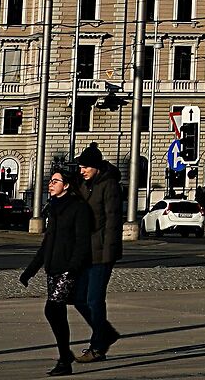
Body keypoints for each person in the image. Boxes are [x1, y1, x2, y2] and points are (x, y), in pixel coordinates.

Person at [21, 164, 95, 376]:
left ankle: (65, 359)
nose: (51, 185)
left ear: (67, 185)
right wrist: (31, 270)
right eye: (51, 181)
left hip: (67, 269)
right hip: (53, 268)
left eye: (55, 181)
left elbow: (82, 242)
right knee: (57, 312)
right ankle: (65, 356)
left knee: (52, 309)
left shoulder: (78, 208)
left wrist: (73, 268)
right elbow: (47, 243)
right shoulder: (53, 207)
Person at [74, 144, 125, 361]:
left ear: (96, 167)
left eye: (85, 167)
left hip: (102, 253)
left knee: (94, 300)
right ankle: (106, 333)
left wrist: (108, 254)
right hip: (86, 252)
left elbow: (113, 222)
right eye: (80, 167)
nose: (82, 170)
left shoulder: (109, 185)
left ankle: (97, 347)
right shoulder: (85, 185)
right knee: (78, 299)